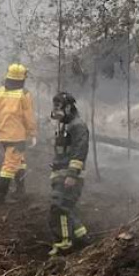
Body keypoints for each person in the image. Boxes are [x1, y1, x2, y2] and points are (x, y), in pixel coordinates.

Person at [0, 63, 38, 203]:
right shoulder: (24, 94)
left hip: (1, 135)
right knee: (9, 166)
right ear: (22, 78)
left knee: (20, 161)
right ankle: (0, 197)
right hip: (17, 137)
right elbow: (29, 117)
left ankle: (20, 190)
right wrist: (32, 133)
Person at [48, 91, 91, 255]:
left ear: (68, 107)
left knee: (59, 207)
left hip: (70, 175)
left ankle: (64, 245)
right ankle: (83, 239)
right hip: (61, 173)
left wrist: (72, 174)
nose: (55, 110)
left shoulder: (78, 126)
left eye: (58, 107)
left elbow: (80, 151)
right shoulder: (66, 125)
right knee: (67, 208)